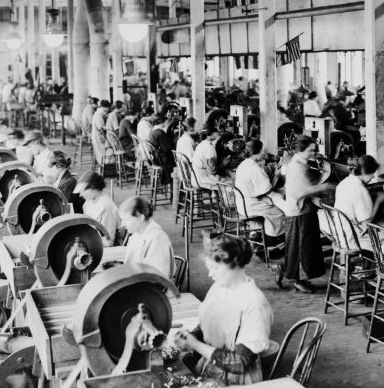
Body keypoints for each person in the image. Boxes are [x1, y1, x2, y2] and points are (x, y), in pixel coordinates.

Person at [174, 232, 273, 385]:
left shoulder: (255, 303)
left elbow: (240, 362)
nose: (209, 274)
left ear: (233, 264)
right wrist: (190, 337)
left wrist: (196, 345)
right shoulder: (218, 288)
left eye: (214, 268)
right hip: (210, 366)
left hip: (237, 379)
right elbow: (207, 324)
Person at [276, 135, 334, 294]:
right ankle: (298, 281)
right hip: (299, 212)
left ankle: (284, 268)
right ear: (300, 150)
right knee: (302, 247)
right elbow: (301, 191)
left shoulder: (300, 163)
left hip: (302, 209)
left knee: (301, 247)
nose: (314, 153)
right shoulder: (297, 167)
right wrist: (324, 187)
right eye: (311, 150)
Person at [329, 155, 384, 251]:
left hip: (339, 235)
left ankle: (368, 264)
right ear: (363, 172)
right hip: (353, 240)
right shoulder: (360, 189)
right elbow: (367, 223)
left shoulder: (343, 183)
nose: (373, 176)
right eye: (372, 173)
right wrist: (378, 201)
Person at [234, 139, 286, 241]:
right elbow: (268, 190)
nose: (264, 152)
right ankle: (272, 242)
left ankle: (258, 235)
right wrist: (277, 175)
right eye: (263, 150)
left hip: (242, 204)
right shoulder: (254, 168)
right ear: (259, 151)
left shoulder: (244, 164)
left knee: (273, 203)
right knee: (278, 212)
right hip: (251, 206)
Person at [119, 196, 174, 278]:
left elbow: (159, 277)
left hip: (154, 288)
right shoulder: (136, 235)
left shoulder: (157, 238)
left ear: (140, 217)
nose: (122, 224)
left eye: (126, 219)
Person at [75, 172, 119, 246]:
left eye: (83, 191)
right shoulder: (88, 202)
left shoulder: (106, 206)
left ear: (93, 188)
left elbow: (109, 241)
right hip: (93, 238)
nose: (81, 194)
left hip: (103, 245)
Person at [192, 125, 228, 189]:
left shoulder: (202, 144)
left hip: (196, 177)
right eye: (216, 132)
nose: (218, 134)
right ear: (210, 134)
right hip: (203, 179)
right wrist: (223, 164)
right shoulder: (209, 148)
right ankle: (224, 198)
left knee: (226, 177)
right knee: (231, 182)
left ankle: (215, 197)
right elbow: (212, 171)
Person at [149, 115, 175, 184]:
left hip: (156, 158)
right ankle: (172, 184)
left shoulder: (153, 130)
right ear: (163, 123)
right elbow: (167, 148)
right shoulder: (160, 132)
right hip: (162, 159)